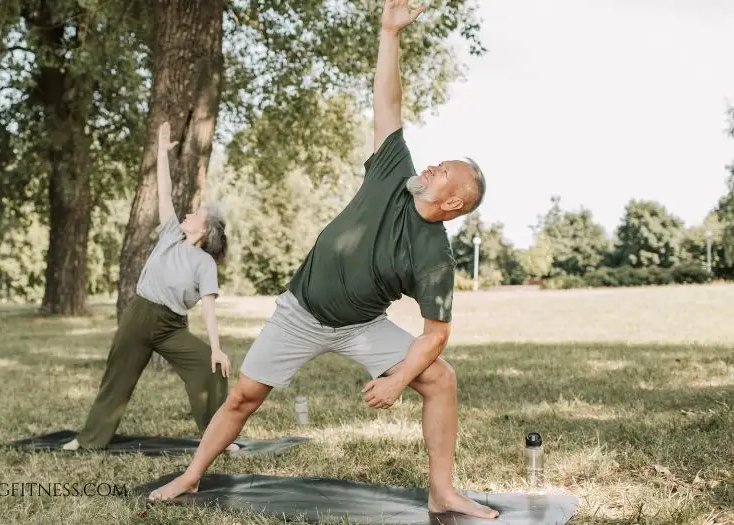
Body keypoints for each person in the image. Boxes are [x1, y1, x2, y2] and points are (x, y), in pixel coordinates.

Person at [148, 0, 497, 520]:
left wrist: (399, 379)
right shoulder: (393, 173)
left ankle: (443, 491)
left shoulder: (435, 257)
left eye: (443, 170)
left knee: (440, 378)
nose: (431, 165)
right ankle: (192, 475)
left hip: (361, 325)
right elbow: (388, 101)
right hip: (301, 312)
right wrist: (389, 33)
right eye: (437, 161)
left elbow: (435, 334)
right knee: (244, 397)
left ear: (451, 203)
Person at [62, 121, 236, 452]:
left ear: (204, 230)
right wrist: (160, 153)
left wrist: (216, 348)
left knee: (209, 367)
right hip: (140, 316)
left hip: (171, 326)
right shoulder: (171, 232)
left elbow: (209, 309)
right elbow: (164, 190)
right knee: (118, 378)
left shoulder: (205, 264)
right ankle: (89, 440)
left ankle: (218, 438)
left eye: (195, 214)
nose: (188, 213)